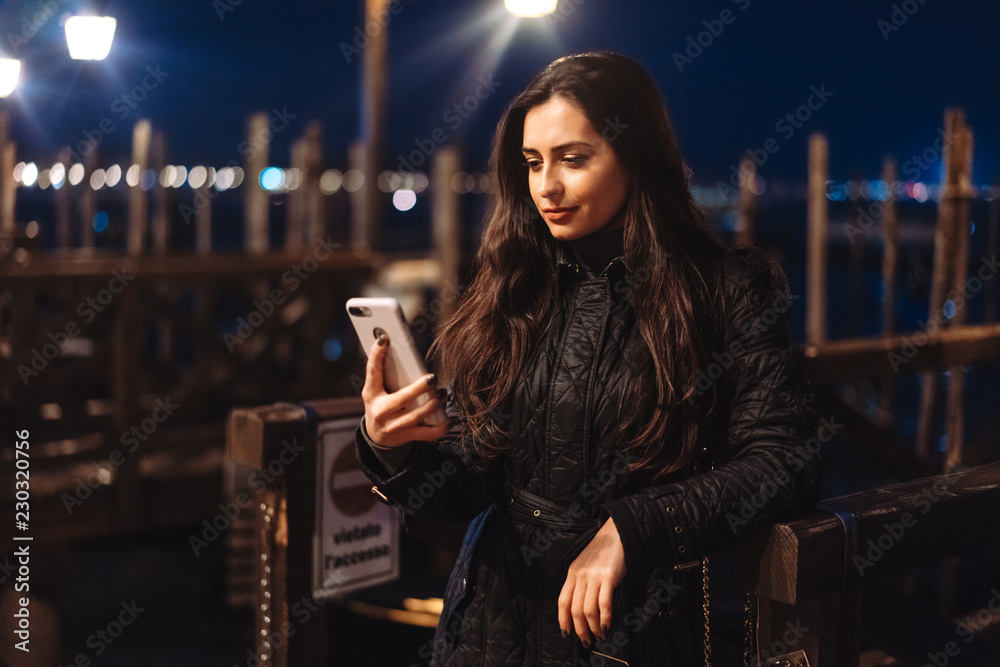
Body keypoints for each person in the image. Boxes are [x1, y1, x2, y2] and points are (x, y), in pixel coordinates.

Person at [356, 51, 820, 666]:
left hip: (631, 629)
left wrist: (633, 528)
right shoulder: (512, 286)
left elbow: (785, 460)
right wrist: (395, 449)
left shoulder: (727, 289)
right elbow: (465, 490)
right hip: (489, 627)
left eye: (573, 159)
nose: (547, 186)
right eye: (532, 162)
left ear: (636, 156)